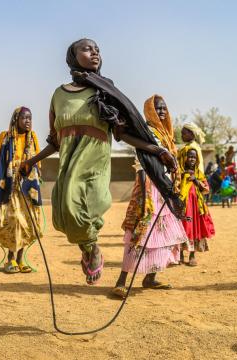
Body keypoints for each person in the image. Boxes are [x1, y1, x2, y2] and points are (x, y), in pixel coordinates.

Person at [21, 38, 183, 285]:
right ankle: (89, 248)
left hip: (94, 161)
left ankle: (92, 248)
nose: (94, 52)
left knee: (75, 205)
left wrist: (156, 149)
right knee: (62, 215)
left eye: (97, 49)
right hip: (68, 161)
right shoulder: (58, 95)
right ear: (73, 57)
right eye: (86, 49)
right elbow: (55, 141)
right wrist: (30, 161)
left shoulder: (104, 90)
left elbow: (122, 132)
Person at [112, 95, 188, 298]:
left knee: (165, 235)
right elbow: (141, 159)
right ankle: (121, 281)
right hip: (149, 187)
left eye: (164, 108)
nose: (162, 112)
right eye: (158, 109)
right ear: (149, 111)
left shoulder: (166, 135)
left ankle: (150, 278)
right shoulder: (146, 132)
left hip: (166, 190)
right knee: (140, 233)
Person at [0, 107, 42, 274]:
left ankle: (20, 259)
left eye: (30, 118)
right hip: (10, 188)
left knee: (27, 223)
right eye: (24, 118)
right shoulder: (5, 138)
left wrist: (35, 177)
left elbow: (38, 162)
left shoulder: (32, 138)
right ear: (15, 120)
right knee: (14, 220)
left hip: (28, 187)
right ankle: (10, 259)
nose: (28, 121)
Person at [178, 148, 215, 266]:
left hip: (195, 207)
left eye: (194, 157)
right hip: (182, 206)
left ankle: (192, 255)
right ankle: (179, 255)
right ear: (184, 157)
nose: (192, 159)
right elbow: (174, 187)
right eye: (189, 156)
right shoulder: (179, 172)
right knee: (181, 228)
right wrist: (182, 176)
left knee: (194, 228)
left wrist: (196, 180)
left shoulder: (198, 173)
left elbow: (206, 189)